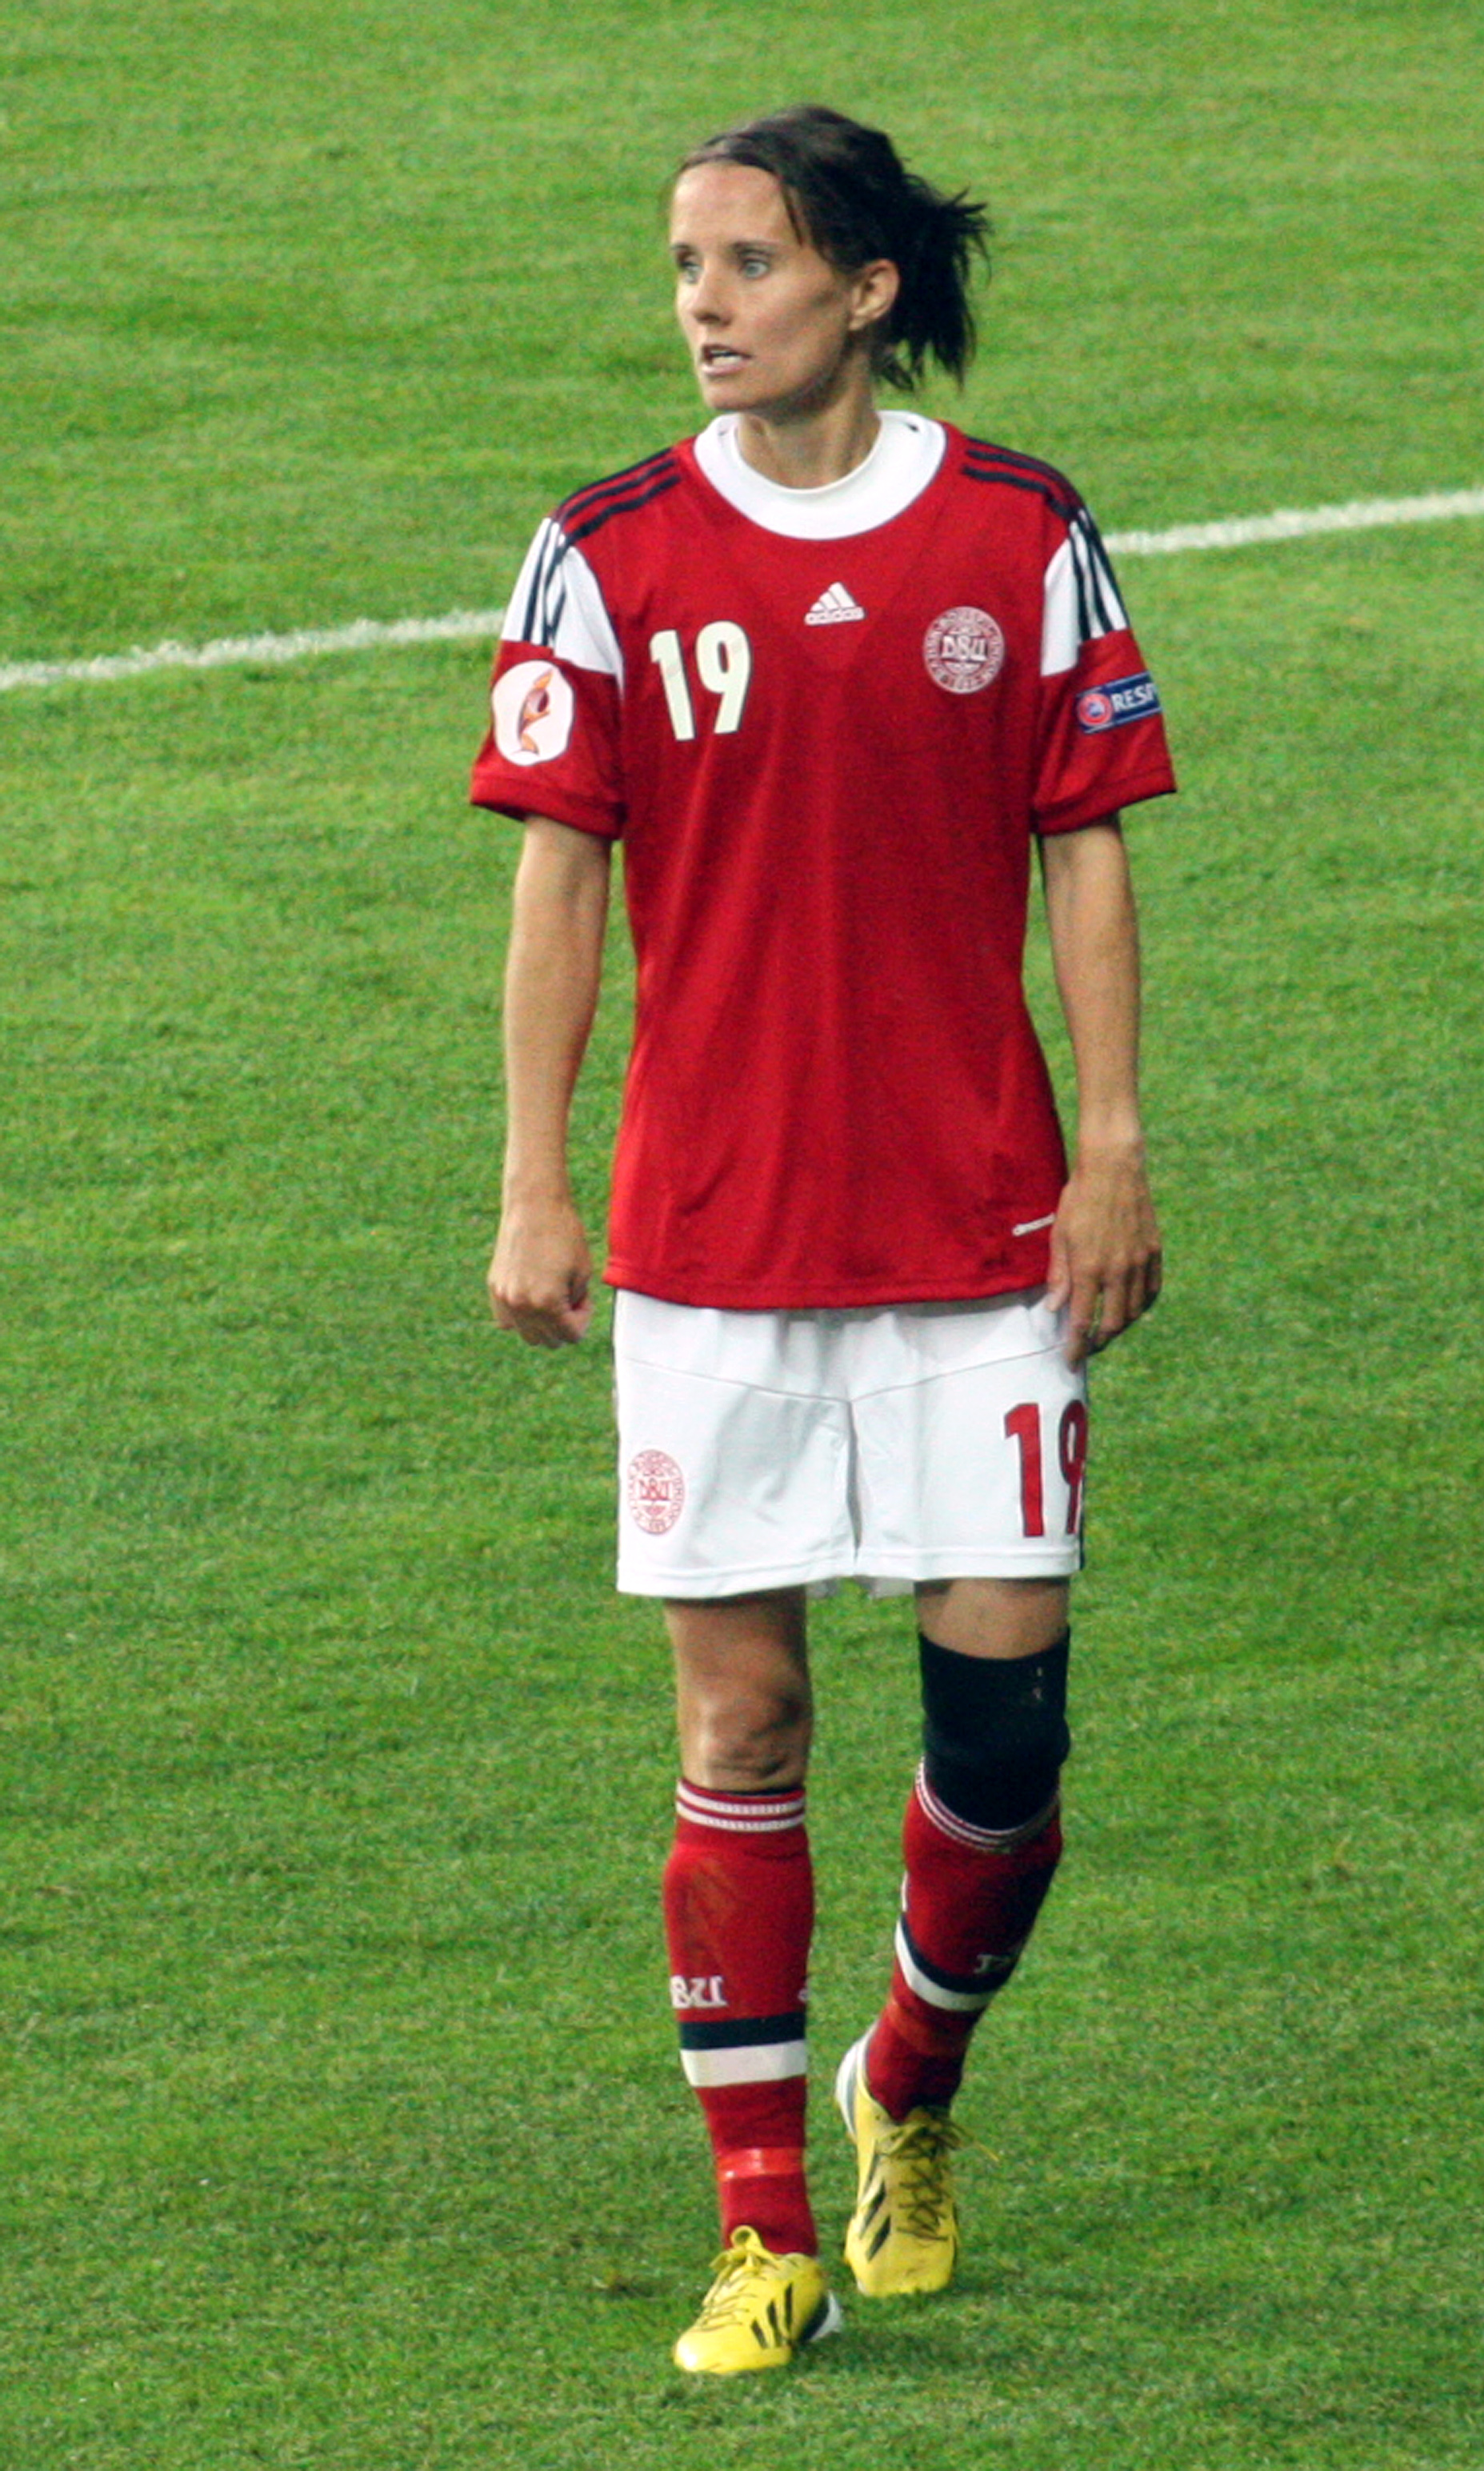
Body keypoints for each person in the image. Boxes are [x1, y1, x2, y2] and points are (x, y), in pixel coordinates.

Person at [471, 103, 1176, 2375]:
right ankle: (760, 2230)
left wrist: (1114, 1146)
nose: (704, 304)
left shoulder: (1020, 533)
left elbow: (1086, 840)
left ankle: (912, 2080)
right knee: (745, 1719)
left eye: (751, 263)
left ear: (865, 291)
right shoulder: (603, 554)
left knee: (1008, 1749)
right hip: (712, 1238)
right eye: (687, 264)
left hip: (980, 1223)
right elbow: (560, 870)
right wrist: (536, 1179)